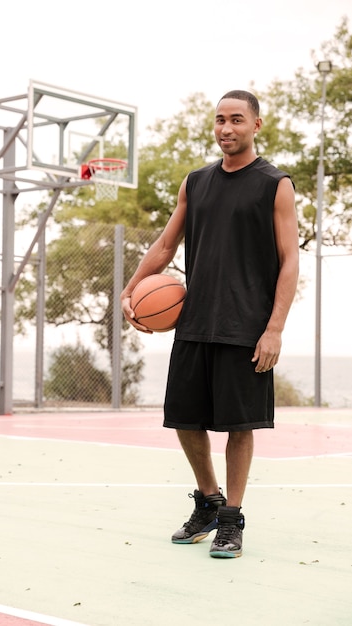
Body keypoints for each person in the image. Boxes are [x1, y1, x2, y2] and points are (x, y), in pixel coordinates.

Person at [120, 90, 299, 559]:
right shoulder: (195, 183)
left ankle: (231, 520)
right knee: (184, 418)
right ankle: (208, 499)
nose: (226, 128)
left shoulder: (274, 184)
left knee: (240, 427)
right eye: (220, 120)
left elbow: (289, 262)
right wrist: (130, 288)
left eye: (236, 120)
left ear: (256, 125)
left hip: (247, 328)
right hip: (194, 322)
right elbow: (164, 246)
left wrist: (274, 328)